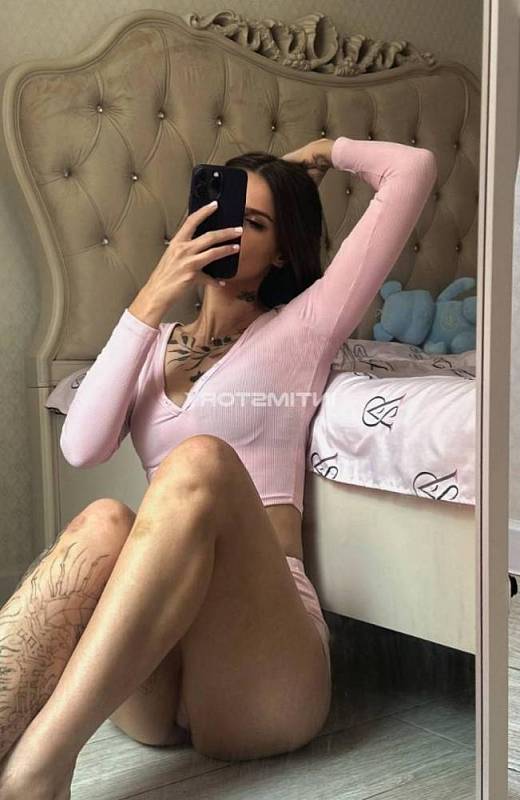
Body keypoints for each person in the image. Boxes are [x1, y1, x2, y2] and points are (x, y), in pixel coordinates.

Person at [0, 135, 437, 798]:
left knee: (199, 460)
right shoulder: (150, 345)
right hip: (153, 663)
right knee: (103, 520)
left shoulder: (302, 327)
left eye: (254, 222)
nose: (228, 230)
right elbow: (81, 447)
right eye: (220, 212)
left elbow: (415, 169)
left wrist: (323, 151)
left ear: (281, 252)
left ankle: (39, 768)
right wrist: (152, 297)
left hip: (260, 671)